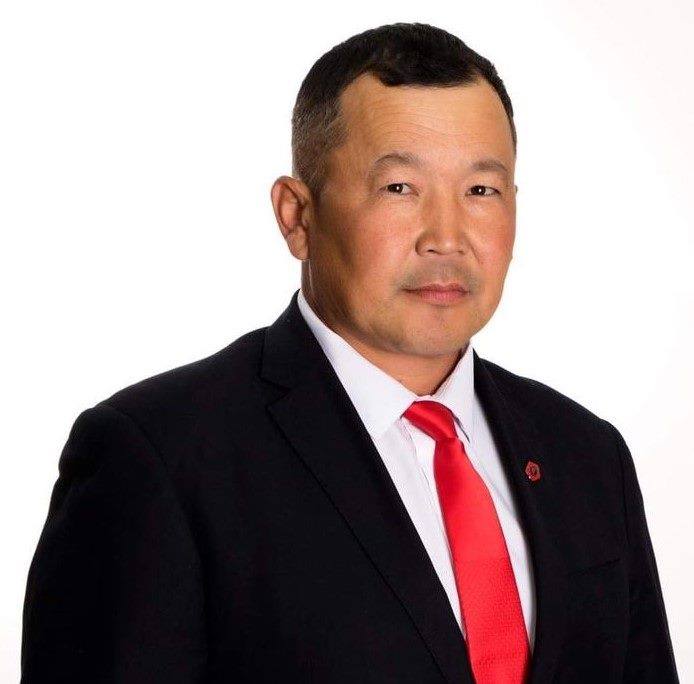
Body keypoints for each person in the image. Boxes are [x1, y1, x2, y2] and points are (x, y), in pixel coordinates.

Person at [21, 21, 678, 683]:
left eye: (481, 190)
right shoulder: (160, 456)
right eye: (400, 188)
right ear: (297, 216)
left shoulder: (586, 455)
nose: (446, 237)